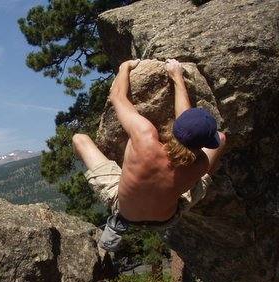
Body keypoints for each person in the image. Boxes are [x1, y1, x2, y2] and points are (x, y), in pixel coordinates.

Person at [72, 59, 227, 252]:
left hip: (125, 211)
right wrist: (178, 78)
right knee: (221, 138)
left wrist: (125, 67)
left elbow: (117, 97)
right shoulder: (200, 164)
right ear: (202, 145)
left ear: (175, 127)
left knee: (79, 139)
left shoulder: (144, 136)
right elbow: (191, 133)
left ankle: (118, 223)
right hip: (166, 219)